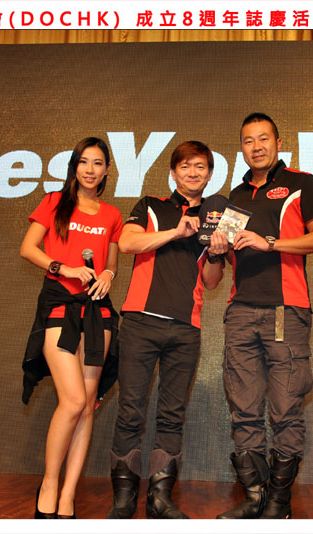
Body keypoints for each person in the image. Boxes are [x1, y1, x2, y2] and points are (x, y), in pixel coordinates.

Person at [216, 113, 313, 520]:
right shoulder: (236, 195)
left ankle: (278, 505)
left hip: (287, 309)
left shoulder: (302, 183)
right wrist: (217, 248)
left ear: (278, 143)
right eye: (248, 141)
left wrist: (270, 243)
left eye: (263, 138)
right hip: (240, 311)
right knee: (243, 408)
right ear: (242, 148)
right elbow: (231, 254)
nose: (257, 147)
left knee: (286, 409)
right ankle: (254, 499)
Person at [107, 141, 227, 519]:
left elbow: (211, 281)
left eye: (201, 167)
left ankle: (160, 500)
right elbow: (127, 242)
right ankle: (123, 501)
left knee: (172, 416)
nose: (193, 173)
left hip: (186, 329)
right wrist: (175, 232)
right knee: (130, 411)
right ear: (174, 172)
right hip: (140, 322)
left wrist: (217, 252)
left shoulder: (216, 218)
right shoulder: (150, 205)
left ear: (210, 174)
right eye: (186, 166)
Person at [20, 137, 123, 519]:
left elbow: (111, 263)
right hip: (60, 305)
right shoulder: (53, 202)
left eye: (97, 163)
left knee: (88, 405)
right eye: (84, 162)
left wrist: (108, 274)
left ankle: (68, 495)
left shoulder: (112, 214)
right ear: (74, 167)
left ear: (107, 169)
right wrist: (63, 268)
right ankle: (49, 483)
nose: (90, 170)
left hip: (98, 312)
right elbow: (28, 248)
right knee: (74, 400)